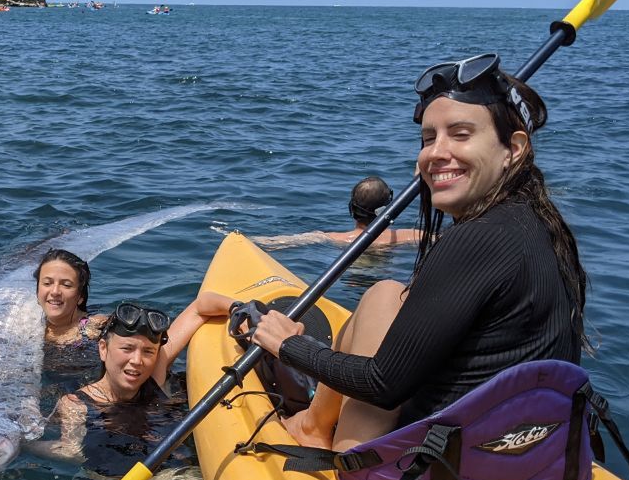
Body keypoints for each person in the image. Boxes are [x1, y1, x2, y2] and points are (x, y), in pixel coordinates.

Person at [252, 53, 588, 453]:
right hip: (518, 461)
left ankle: (313, 429)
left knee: (380, 298)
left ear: (513, 149)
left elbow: (383, 385)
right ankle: (312, 424)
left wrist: (289, 345)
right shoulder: (535, 224)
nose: (435, 153)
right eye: (429, 139)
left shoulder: (478, 239)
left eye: (460, 135)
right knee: (386, 292)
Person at [31, 293, 235, 466]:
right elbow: (70, 452)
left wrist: (238, 309)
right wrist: (24, 445)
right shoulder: (76, 404)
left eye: (148, 351)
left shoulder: (155, 372)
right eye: (127, 348)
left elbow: (200, 307)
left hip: (174, 476)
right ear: (103, 349)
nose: (137, 361)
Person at [217, 176, 420, 250]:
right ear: (387, 209)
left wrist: (235, 238)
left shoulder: (332, 238)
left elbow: (278, 242)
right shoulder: (408, 236)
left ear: (352, 209)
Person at [33, 248, 108, 372]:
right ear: (37, 291)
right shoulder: (26, 325)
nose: (55, 291)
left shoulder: (94, 327)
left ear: (80, 297)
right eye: (47, 283)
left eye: (66, 285)